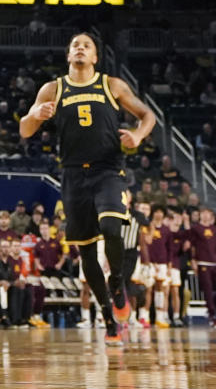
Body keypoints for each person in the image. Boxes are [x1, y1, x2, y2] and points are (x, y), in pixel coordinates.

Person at [19, 30, 155, 344]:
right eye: (75, 45)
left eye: (87, 45)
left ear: (95, 57)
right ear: (69, 56)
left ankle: (118, 283)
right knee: (87, 252)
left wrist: (137, 136)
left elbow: (147, 116)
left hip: (108, 169)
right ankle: (108, 316)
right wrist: (34, 114)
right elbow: (25, 130)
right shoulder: (53, 88)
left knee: (111, 226)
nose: (80, 48)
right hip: (72, 174)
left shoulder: (112, 85)